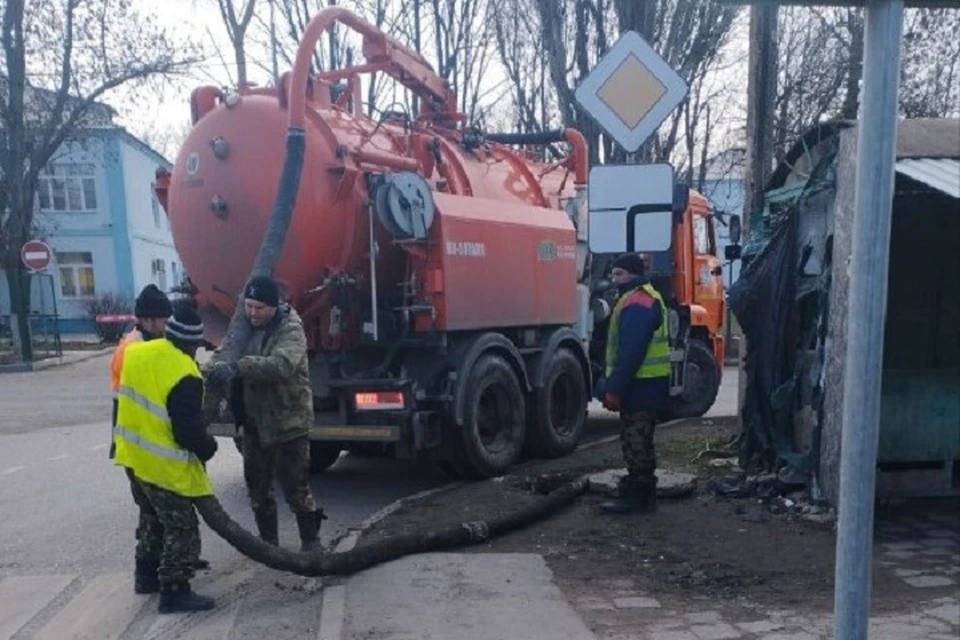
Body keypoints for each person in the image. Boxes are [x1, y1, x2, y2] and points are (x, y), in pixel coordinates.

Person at [207, 276, 325, 551]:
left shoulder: (291, 329)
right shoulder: (241, 329)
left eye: (259, 308)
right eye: (249, 306)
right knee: (257, 487)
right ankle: (268, 543)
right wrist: (211, 371)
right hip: (254, 423)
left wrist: (238, 367)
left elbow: (280, 365)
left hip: (288, 423)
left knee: (296, 487)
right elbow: (223, 355)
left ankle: (311, 541)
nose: (253, 313)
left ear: (274, 306)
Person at [113, 305, 219, 613]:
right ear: (192, 343)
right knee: (182, 526)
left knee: (151, 519)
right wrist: (208, 448)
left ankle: (145, 576)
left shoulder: (138, 353)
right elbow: (188, 431)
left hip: (133, 457)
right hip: (162, 464)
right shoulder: (185, 373)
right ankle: (175, 589)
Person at [598, 253, 671, 514]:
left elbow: (631, 351)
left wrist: (614, 388)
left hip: (642, 385)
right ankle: (639, 491)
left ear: (632, 274)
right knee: (636, 439)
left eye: (619, 274)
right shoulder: (638, 298)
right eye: (613, 274)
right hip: (644, 384)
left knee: (637, 440)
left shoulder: (638, 301)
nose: (614, 280)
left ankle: (639, 497)